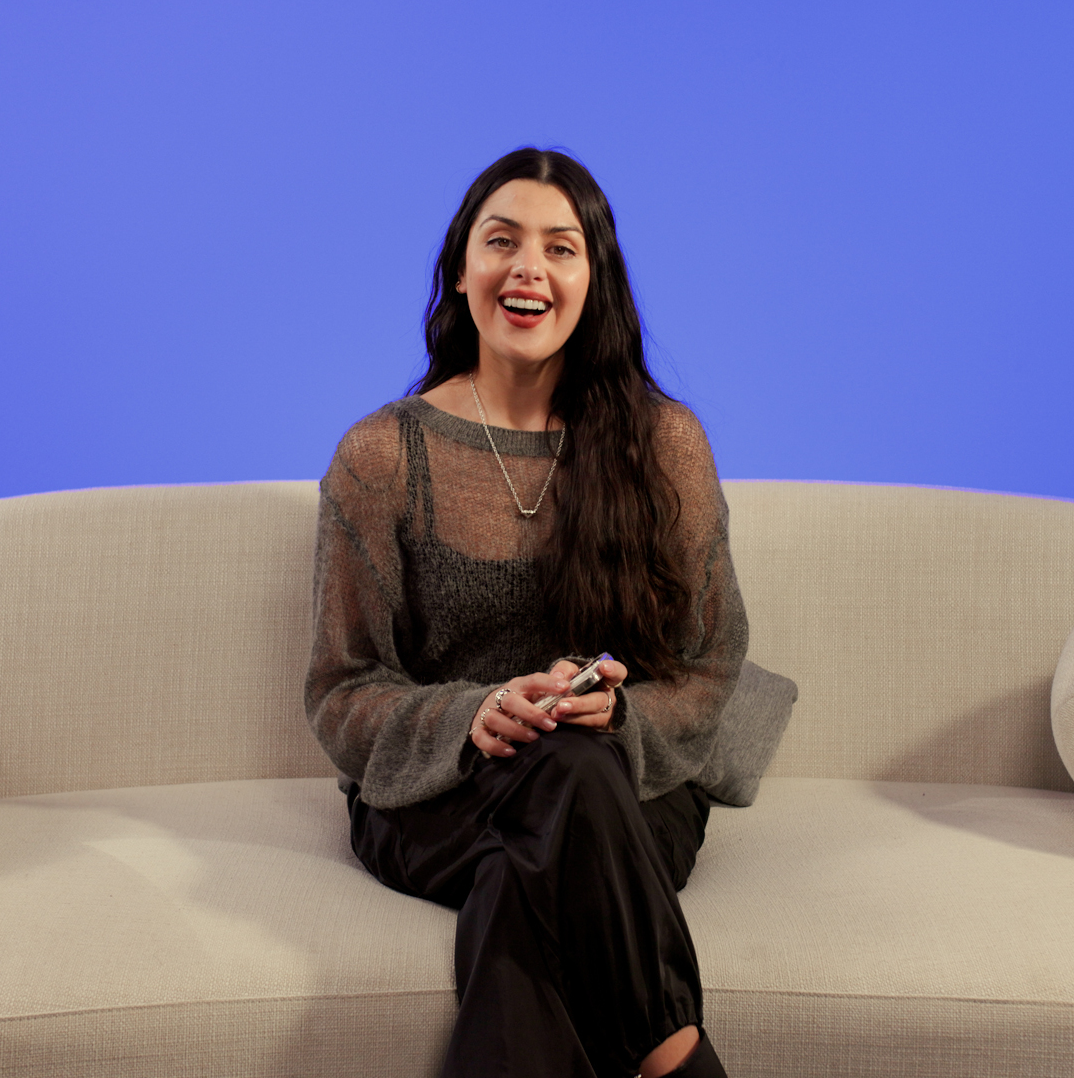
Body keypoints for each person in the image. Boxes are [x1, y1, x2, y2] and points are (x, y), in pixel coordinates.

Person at [305, 147, 746, 1078]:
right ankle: (674, 1057)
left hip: (629, 789)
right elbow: (342, 695)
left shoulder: (664, 445)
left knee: (552, 814)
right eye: (500, 241)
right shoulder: (382, 455)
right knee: (558, 784)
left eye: (561, 247)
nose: (528, 269)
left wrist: (618, 713)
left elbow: (712, 669)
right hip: (436, 796)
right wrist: (473, 714)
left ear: (596, 279)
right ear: (461, 270)